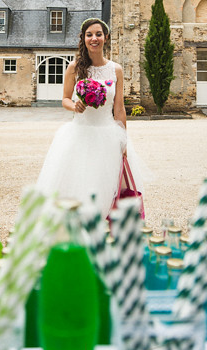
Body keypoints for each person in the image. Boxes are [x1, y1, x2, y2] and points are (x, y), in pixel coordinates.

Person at [36, 18, 142, 218]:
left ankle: (101, 227)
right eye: (89, 35)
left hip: (108, 136)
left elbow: (119, 109)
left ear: (106, 37)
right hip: (80, 134)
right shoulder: (74, 68)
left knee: (105, 184)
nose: (94, 38)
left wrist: (124, 140)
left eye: (98, 34)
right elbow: (65, 99)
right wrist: (75, 106)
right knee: (79, 184)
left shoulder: (116, 70)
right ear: (83, 38)